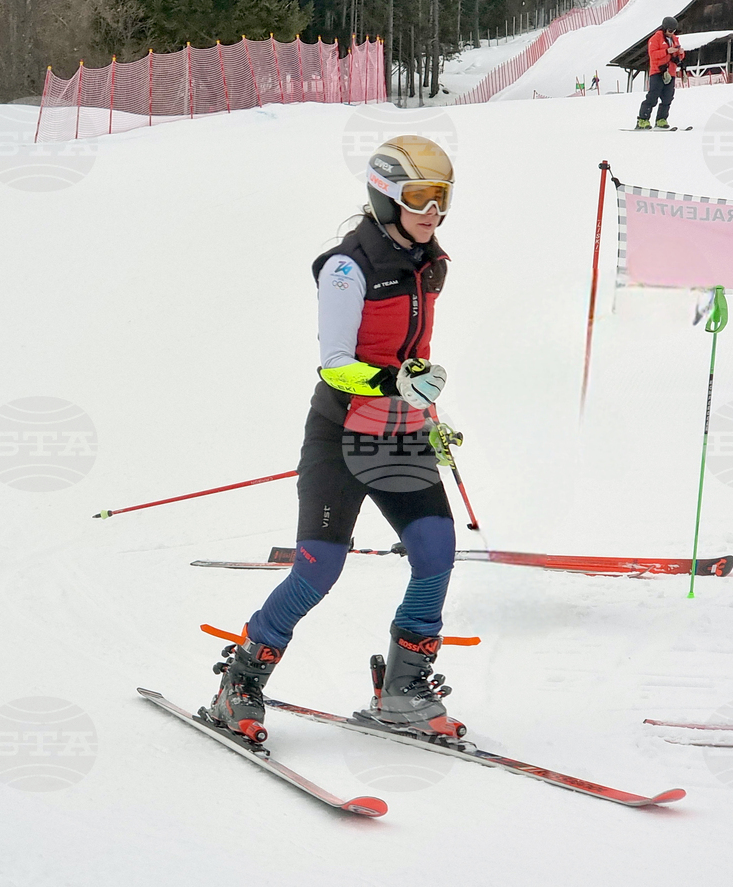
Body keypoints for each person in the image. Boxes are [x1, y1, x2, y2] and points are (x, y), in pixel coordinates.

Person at [204, 135, 464, 742]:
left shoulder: (432, 266)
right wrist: (400, 379)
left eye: (442, 198)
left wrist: (424, 400)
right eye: (420, 197)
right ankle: (240, 681)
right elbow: (336, 365)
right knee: (319, 570)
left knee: (437, 551)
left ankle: (403, 686)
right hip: (342, 433)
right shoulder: (348, 269)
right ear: (385, 196)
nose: (433, 211)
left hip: (400, 434)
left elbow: (410, 354)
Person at [636, 16, 685, 129]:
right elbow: (652, 54)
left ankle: (661, 119)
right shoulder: (655, 39)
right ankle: (643, 119)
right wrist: (666, 51)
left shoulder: (675, 39)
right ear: (664, 29)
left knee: (668, 97)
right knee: (653, 96)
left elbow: (679, 56)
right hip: (658, 72)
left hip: (670, 72)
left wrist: (680, 53)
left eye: (673, 31)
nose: (671, 33)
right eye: (669, 30)